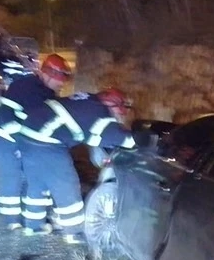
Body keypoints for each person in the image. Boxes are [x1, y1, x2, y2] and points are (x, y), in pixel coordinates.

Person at [17, 89, 136, 244]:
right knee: (66, 183)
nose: (119, 116)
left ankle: (33, 227)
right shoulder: (100, 114)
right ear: (113, 106)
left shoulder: (86, 100)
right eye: (119, 111)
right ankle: (74, 232)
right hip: (46, 142)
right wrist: (142, 142)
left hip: (26, 135)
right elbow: (122, 140)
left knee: (38, 183)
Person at [0, 53, 73, 230]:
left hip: (17, 126)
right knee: (12, 174)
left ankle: (31, 215)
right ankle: (12, 221)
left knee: (30, 172)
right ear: (46, 74)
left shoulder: (43, 89)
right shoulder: (31, 89)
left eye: (62, 80)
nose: (61, 84)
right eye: (58, 80)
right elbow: (34, 123)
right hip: (4, 130)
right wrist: (21, 146)